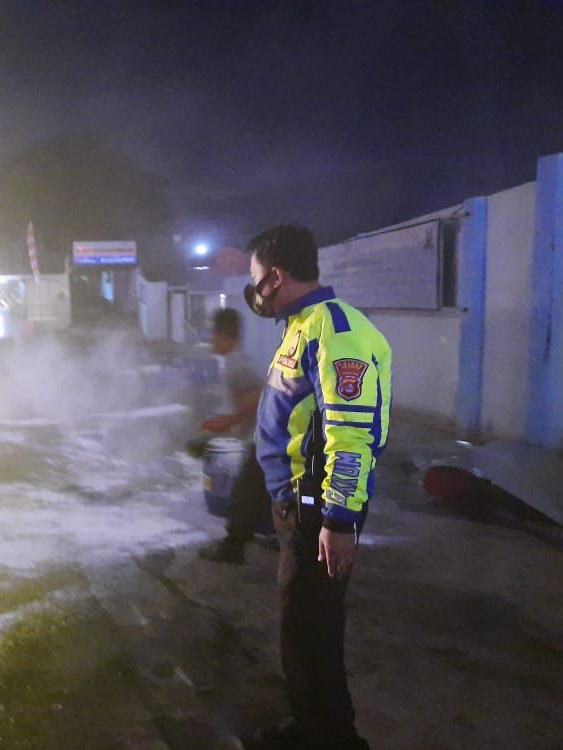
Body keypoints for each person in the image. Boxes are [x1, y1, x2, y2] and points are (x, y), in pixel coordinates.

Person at [239, 224, 391, 750]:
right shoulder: (303, 324)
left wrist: (339, 522)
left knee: (310, 632)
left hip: (316, 509)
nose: (255, 289)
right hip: (296, 503)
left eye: (256, 279)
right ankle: (318, 728)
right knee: (306, 629)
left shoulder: (336, 330)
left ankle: (330, 737)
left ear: (276, 276)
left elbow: (351, 438)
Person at [194, 308, 277, 564]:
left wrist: (227, 421)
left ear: (224, 337)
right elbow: (246, 407)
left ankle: (233, 549)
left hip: (271, 434)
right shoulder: (236, 360)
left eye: (213, 335)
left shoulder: (238, 364)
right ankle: (284, 535)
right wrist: (221, 425)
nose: (210, 341)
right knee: (269, 491)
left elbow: (262, 397)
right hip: (273, 433)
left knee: (245, 491)